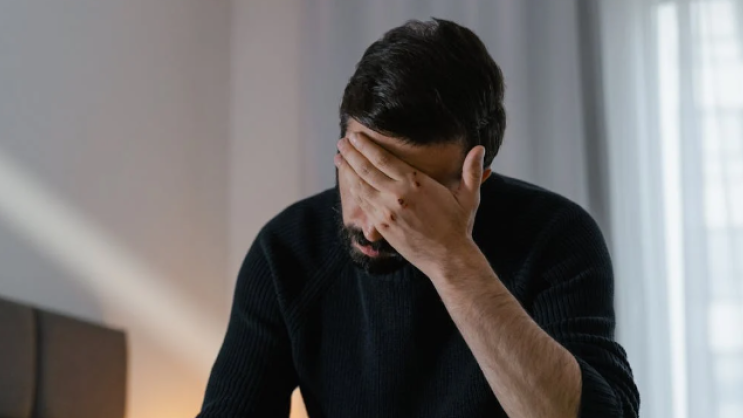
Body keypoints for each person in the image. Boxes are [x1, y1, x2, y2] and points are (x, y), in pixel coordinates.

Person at [197, 18, 639, 418]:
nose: (375, 227)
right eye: (366, 178)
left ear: (477, 177)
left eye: (414, 193)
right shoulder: (287, 250)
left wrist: (453, 260)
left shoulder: (556, 236)